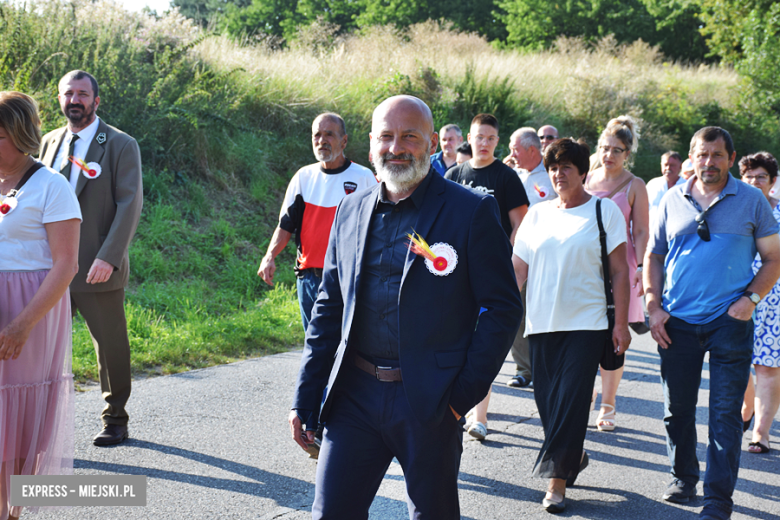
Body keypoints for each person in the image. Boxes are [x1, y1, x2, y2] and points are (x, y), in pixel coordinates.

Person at [288, 95, 523, 519]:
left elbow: (502, 308)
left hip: (430, 402)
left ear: (432, 143)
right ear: (371, 142)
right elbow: (329, 307)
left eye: (409, 136)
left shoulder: (470, 210)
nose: (396, 147)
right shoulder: (350, 210)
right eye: (386, 136)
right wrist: (305, 396)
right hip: (353, 398)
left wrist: (460, 398)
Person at [646, 127, 780, 520]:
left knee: (724, 415)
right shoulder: (672, 199)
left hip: (730, 322)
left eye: (717, 156)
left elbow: (774, 258)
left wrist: (749, 300)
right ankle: (683, 476)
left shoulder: (753, 200)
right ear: (692, 157)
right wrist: (653, 305)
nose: (708, 163)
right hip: (677, 321)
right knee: (677, 409)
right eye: (702, 155)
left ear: (730, 157)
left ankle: (718, 501)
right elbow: (653, 255)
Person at [513, 137, 630, 513]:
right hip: (541, 322)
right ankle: (572, 455)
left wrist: (622, 323)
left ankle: (556, 483)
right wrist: (488, 308)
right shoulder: (538, 214)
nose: (558, 173)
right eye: (552, 167)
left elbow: (619, 271)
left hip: (587, 321)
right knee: (548, 403)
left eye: (566, 167)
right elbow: (518, 270)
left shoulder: (604, 211)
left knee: (571, 401)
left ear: (582, 172)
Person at [38, 70, 143, 447]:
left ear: (96, 101)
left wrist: (109, 257)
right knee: (44, 346)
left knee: (110, 346)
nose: (75, 100)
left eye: (83, 94)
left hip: (97, 265)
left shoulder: (119, 144)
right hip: (50, 267)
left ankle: (115, 418)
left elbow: (130, 203)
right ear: (60, 100)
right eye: (69, 93)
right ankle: (42, 421)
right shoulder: (48, 142)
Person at [0, 91, 81, 520]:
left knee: (16, 418)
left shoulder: (53, 186)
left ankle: (10, 510)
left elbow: (66, 264)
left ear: (18, 134)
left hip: (29, 310)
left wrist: (22, 324)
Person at [446, 113, 529, 440]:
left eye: (490, 139)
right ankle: (452, 407)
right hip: (453, 272)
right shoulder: (454, 174)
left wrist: (505, 263)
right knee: (454, 339)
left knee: (484, 342)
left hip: (490, 274)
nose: (483, 143)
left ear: (498, 141)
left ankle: (478, 416)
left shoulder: (506, 177)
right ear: (470, 136)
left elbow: (521, 224)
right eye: (479, 137)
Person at [257, 113, 375, 333]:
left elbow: (377, 228)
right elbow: (285, 225)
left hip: (346, 279)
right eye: (317, 135)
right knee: (313, 346)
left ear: (344, 141)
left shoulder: (364, 178)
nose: (322, 140)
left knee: (344, 347)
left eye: (329, 134)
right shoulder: (303, 177)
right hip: (309, 279)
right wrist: (269, 257)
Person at [585, 115, 649, 432]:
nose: (608, 154)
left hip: (619, 267)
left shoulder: (635, 185)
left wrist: (638, 269)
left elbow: (640, 231)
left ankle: (608, 405)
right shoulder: (585, 179)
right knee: (583, 334)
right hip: (584, 266)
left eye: (616, 150)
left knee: (614, 336)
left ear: (627, 153)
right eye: (604, 148)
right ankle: (584, 396)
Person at [506, 127, 557, 389]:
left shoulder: (552, 176)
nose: (510, 153)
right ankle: (524, 369)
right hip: (518, 254)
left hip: (548, 255)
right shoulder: (512, 175)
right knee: (518, 308)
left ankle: (547, 366)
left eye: (515, 148)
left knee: (545, 311)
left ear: (532, 150)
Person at [738, 152, 780, 454]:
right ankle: (748, 405)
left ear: (773, 182)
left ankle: (761, 432)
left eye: (761, 176)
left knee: (767, 366)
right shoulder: (735, 209)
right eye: (749, 176)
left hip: (776, 301)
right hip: (737, 297)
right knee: (738, 362)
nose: (755, 182)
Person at [647, 151, 685, 226]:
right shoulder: (652, 185)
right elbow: (641, 211)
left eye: (672, 165)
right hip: (652, 234)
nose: (668, 168)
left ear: (680, 167)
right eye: (665, 165)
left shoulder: (687, 186)